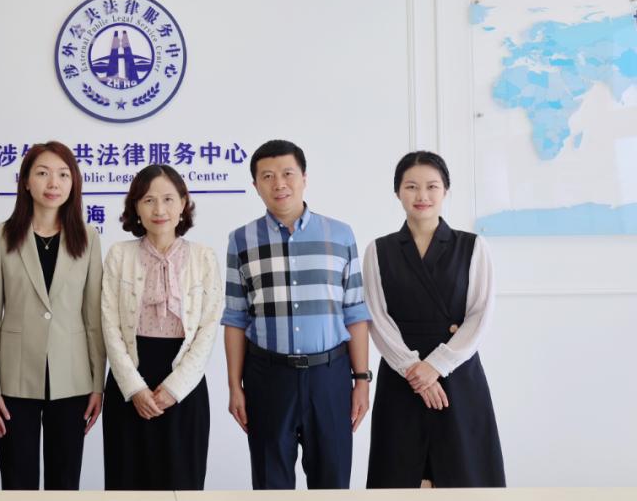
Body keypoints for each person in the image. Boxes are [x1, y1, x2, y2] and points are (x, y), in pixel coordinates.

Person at [222, 139, 372, 490]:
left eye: (288, 173)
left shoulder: (340, 235)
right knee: (270, 484)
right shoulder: (241, 240)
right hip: (267, 377)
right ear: (255, 185)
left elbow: (354, 311)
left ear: (304, 177)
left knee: (332, 483)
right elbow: (235, 317)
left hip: (330, 377)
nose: (279, 184)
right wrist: (234, 387)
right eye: (267, 176)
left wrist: (361, 381)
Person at [363, 151, 505, 488]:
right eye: (411, 186)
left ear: (446, 191)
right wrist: (415, 371)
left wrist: (437, 366)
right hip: (402, 377)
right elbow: (377, 317)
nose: (422, 195)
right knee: (399, 474)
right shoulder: (379, 250)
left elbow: (479, 315)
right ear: (397, 192)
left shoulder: (472, 246)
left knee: (464, 474)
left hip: (457, 375)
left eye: (432, 186)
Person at [0, 141, 105, 490]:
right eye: (43, 173)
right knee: (17, 482)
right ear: (25, 181)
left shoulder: (88, 237)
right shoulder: (1, 236)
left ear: (74, 183)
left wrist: (98, 384)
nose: (53, 183)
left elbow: (93, 319)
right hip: (13, 379)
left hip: (73, 380)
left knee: (65, 483)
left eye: (63, 175)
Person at [101, 164, 223, 490]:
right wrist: (135, 389)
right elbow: (109, 325)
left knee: (182, 485)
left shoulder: (203, 257)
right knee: (127, 483)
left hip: (184, 385)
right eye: (149, 200)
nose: (159, 210)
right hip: (130, 383)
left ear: (183, 204)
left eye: (168, 199)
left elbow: (208, 328)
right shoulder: (119, 255)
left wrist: (174, 388)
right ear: (136, 207)